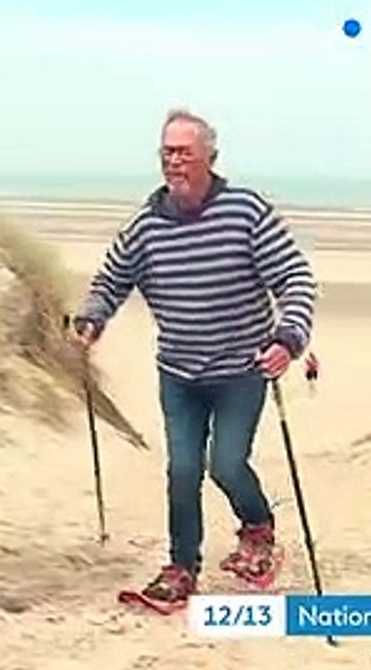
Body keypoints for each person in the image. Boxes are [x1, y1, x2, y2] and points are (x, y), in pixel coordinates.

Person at [71, 109, 317, 606]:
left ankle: (257, 528)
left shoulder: (246, 211)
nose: (173, 161)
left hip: (241, 369)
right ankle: (182, 568)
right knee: (183, 470)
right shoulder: (146, 225)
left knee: (226, 463)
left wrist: (288, 339)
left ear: (210, 157)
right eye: (166, 152)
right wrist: (92, 318)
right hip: (179, 372)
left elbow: (295, 278)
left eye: (184, 152)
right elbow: (111, 279)